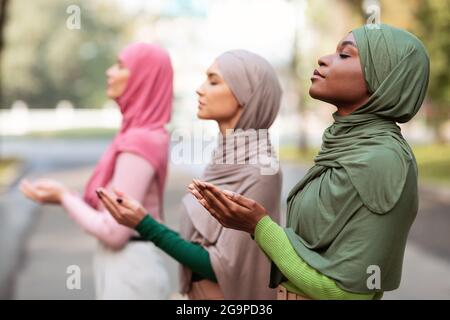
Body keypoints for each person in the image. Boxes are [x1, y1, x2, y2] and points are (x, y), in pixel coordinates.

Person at [189, 24, 430, 300]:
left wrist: (259, 226)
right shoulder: (346, 147)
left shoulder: (384, 160)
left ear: (384, 77)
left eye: (344, 55)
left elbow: (351, 293)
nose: (324, 59)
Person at [98, 50, 283, 299]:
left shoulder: (261, 169)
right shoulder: (224, 159)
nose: (200, 89)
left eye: (213, 81)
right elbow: (200, 249)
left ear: (245, 94)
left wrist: (145, 224)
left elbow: (221, 267)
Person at [20, 43, 174, 299]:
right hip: (128, 267)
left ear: (143, 78)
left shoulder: (140, 140)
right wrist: (63, 196)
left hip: (131, 271)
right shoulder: (139, 134)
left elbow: (114, 233)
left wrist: (63, 197)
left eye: (121, 66)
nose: (109, 72)